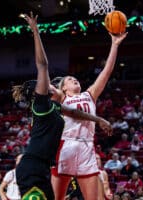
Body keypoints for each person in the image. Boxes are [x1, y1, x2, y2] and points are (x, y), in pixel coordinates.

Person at [14, 12, 112, 200]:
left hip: (44, 168)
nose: (52, 83)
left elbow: (75, 112)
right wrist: (36, 31)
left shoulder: (56, 108)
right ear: (45, 92)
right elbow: (43, 65)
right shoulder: (41, 105)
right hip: (32, 168)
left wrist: (99, 119)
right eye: (50, 85)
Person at [51, 30, 127, 200]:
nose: (74, 79)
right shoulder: (61, 98)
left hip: (87, 147)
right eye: (69, 79)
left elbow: (106, 72)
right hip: (65, 146)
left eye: (74, 77)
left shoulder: (89, 95)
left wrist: (114, 45)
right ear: (63, 88)